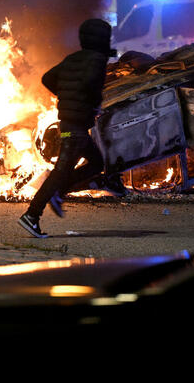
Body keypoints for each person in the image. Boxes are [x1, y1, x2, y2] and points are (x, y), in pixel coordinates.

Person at [18, 18, 121, 238]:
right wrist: (92, 101)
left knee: (96, 162)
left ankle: (59, 191)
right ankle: (32, 215)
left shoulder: (73, 58)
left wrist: (65, 95)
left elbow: (48, 78)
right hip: (74, 128)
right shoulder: (97, 59)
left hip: (68, 125)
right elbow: (91, 83)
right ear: (102, 38)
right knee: (61, 171)